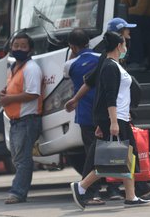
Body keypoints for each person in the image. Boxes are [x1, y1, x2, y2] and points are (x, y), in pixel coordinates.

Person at [65, 18, 150, 203]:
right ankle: (82, 186)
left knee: (126, 156)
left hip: (120, 118)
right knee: (113, 159)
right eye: (125, 40)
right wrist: (110, 121)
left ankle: (131, 196)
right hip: (116, 119)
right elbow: (108, 95)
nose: (128, 42)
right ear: (120, 44)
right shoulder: (110, 65)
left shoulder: (115, 64)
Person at [63, 28, 122, 205]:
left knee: (92, 154)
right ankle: (114, 189)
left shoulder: (70, 65)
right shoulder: (102, 59)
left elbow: (66, 75)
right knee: (113, 150)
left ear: (72, 47)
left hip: (86, 116)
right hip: (106, 113)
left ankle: (92, 192)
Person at [0, 31, 43, 204]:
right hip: (16, 120)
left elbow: (33, 93)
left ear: (30, 49)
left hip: (27, 119)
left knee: (23, 159)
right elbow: (15, 88)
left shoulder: (31, 68)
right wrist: (5, 92)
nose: (18, 49)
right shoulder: (14, 68)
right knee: (18, 158)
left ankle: (18, 192)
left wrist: (9, 98)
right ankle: (18, 190)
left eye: (23, 46)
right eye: (16, 46)